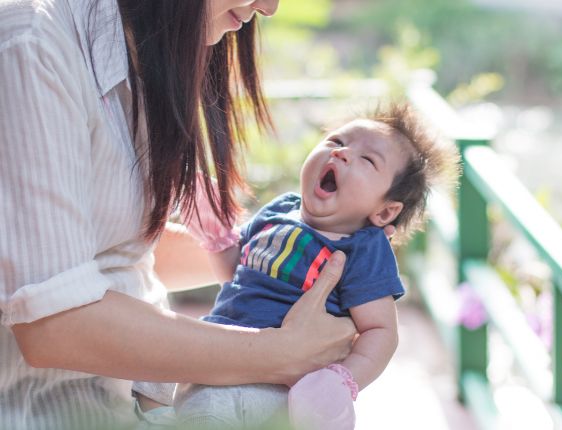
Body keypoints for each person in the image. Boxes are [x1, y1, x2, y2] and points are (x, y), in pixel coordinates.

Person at [0, 0, 362, 428]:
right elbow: (54, 323)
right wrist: (281, 353)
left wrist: (292, 255)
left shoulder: (134, 55)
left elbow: (117, 256)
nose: (268, 7)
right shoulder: (32, 43)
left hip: (131, 403)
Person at [132, 103, 459, 429]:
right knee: (147, 370)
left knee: (208, 412)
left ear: (386, 212)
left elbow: (381, 330)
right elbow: (235, 274)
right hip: (221, 353)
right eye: (337, 141)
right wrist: (216, 233)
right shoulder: (279, 210)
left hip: (282, 386)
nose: (342, 154)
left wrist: (342, 381)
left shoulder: (363, 248)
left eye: (368, 160)